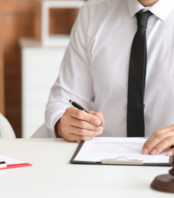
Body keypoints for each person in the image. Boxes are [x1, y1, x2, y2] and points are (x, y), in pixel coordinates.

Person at [45, 0, 174, 156]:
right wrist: (64, 124)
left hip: (168, 166)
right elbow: (63, 101)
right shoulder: (92, 13)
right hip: (102, 160)